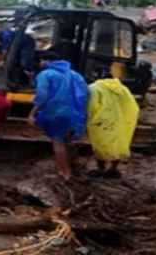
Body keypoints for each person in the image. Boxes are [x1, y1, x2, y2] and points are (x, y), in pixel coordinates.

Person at [29, 52, 88, 181]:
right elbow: (85, 94)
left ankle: (65, 173)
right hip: (74, 114)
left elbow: (42, 96)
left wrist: (32, 113)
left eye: (41, 60)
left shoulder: (46, 74)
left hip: (55, 113)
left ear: (47, 61)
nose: (40, 63)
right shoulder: (75, 74)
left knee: (58, 143)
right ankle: (71, 168)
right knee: (68, 141)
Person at [86, 75, 139, 179]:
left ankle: (101, 169)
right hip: (121, 121)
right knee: (118, 144)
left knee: (100, 144)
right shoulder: (123, 88)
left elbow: (91, 106)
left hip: (101, 122)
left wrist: (89, 119)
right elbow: (133, 106)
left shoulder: (94, 87)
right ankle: (113, 169)